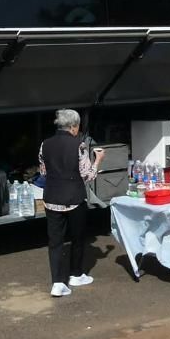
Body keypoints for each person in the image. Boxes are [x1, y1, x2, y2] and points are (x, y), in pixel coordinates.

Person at [38, 109, 104, 297]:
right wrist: (98, 160)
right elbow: (88, 175)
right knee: (78, 238)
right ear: (74, 127)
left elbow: (43, 172)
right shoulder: (79, 145)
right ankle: (76, 274)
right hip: (74, 198)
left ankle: (58, 283)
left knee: (55, 242)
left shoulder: (45, 144)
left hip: (51, 198)